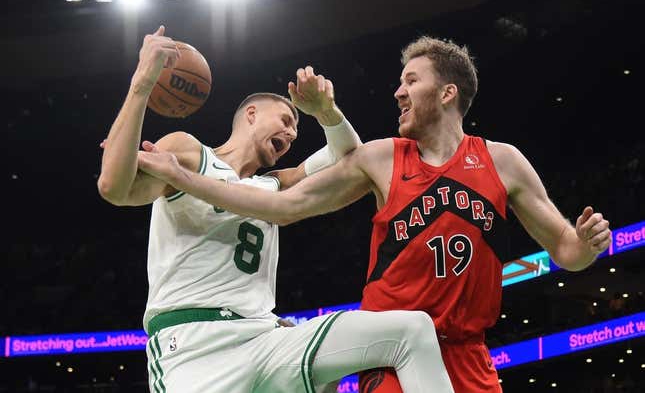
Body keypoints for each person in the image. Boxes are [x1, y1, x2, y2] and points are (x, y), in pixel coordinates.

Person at [135, 34, 613, 392]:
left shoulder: (501, 161)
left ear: (447, 93)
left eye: (411, 81)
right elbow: (281, 206)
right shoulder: (382, 158)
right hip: (391, 351)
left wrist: (587, 245)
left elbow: (566, 251)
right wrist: (183, 177)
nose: (398, 93)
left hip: (470, 354)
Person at [98, 26, 454, 393]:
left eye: (296, 128)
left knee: (411, 330)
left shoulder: (275, 185)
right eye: (286, 120)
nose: (293, 133)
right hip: (193, 346)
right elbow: (114, 188)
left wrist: (326, 111)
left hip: (265, 338)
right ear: (251, 114)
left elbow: (350, 156)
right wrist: (143, 82)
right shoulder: (189, 153)